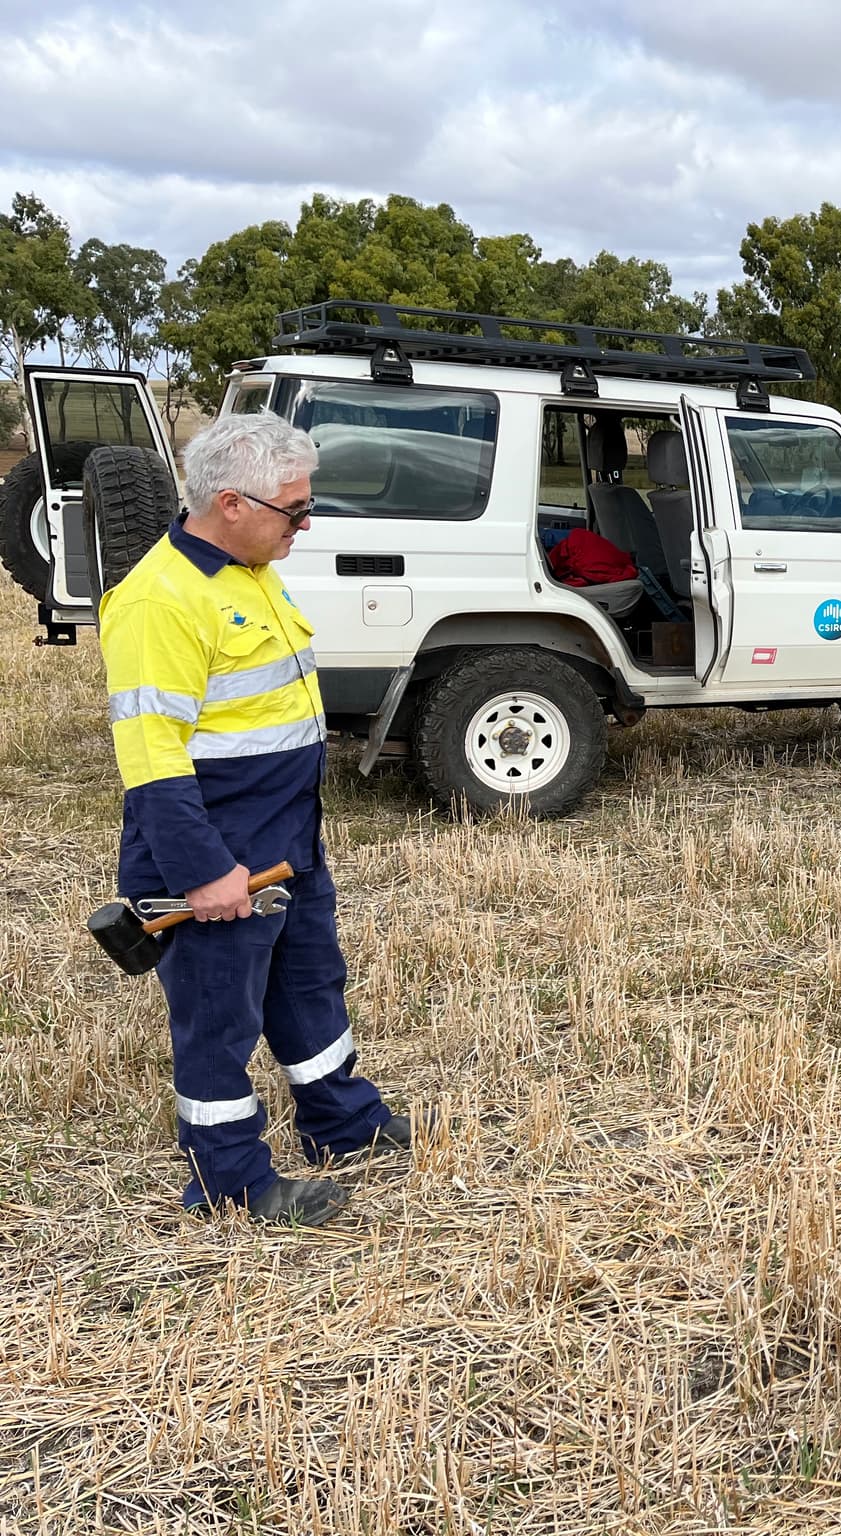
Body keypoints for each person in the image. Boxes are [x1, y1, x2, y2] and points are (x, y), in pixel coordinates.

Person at [99, 411, 418, 1224]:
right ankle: (230, 1181)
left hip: (287, 844)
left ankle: (341, 1124)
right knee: (218, 1022)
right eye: (295, 510)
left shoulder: (250, 568)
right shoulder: (157, 602)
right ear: (232, 502)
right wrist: (203, 873)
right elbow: (154, 763)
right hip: (218, 855)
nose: (305, 525)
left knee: (311, 986)